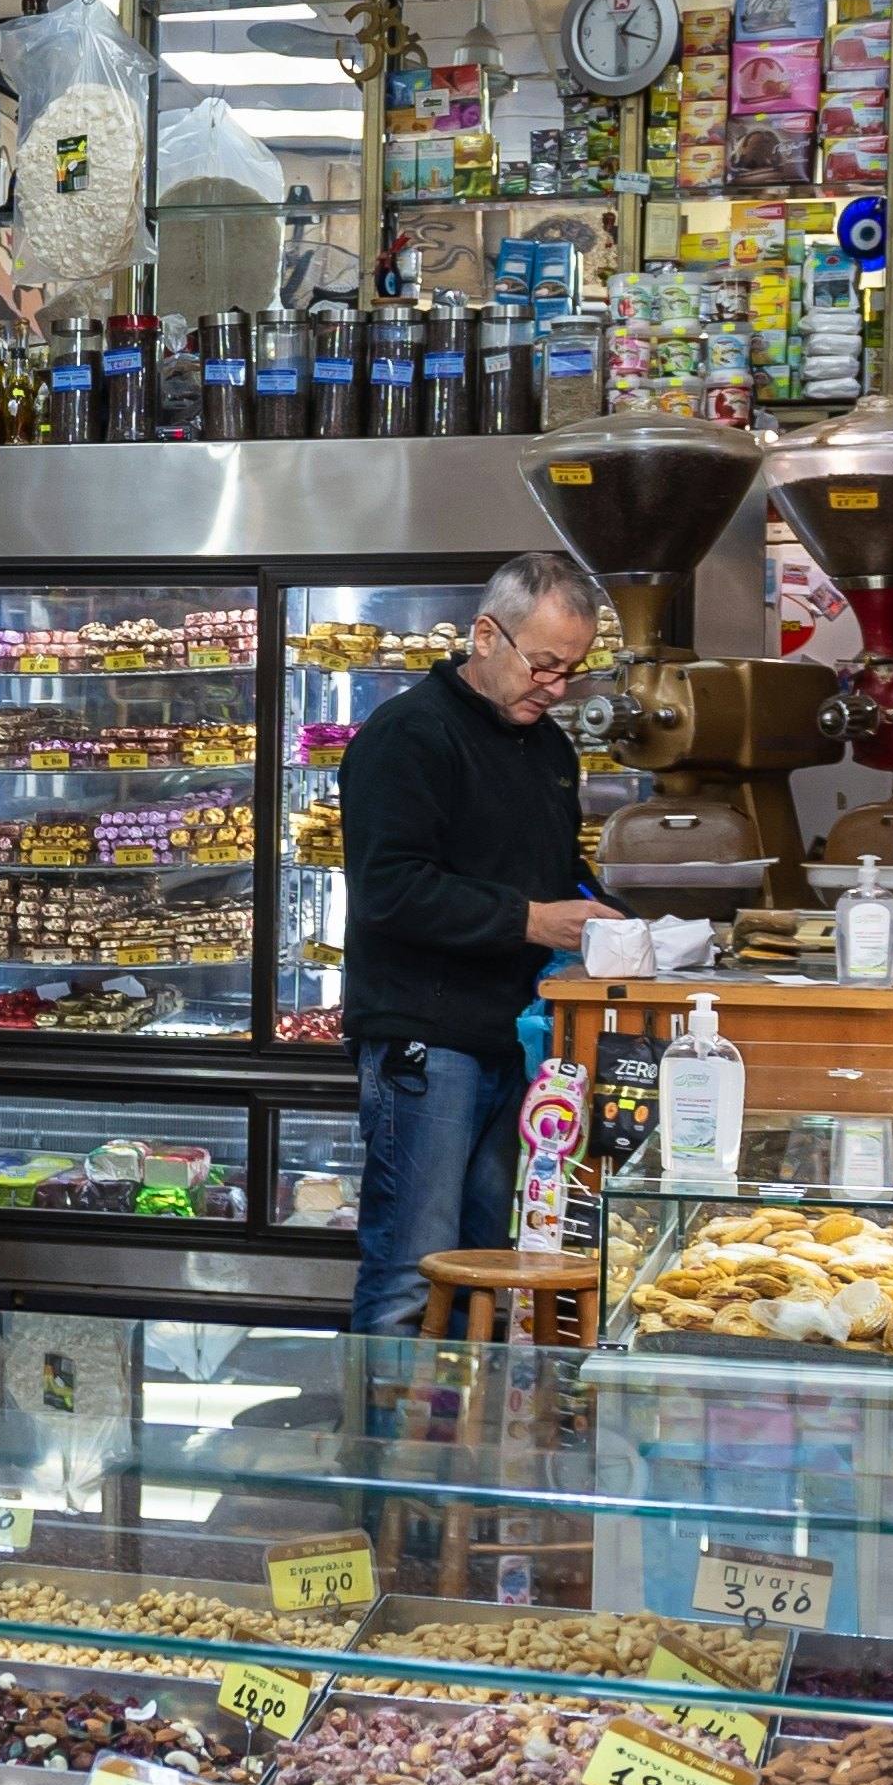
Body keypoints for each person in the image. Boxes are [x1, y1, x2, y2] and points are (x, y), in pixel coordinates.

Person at [338, 545, 617, 1336]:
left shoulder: (545, 746)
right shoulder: (408, 737)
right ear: (485, 636)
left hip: (512, 1040)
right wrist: (533, 919)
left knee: (481, 1267)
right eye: (544, 666)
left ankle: (450, 1449)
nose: (556, 688)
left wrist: (620, 922)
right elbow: (390, 890)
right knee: (409, 1269)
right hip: (427, 1048)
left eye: (571, 672)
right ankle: (378, 1452)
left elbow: (557, 872)